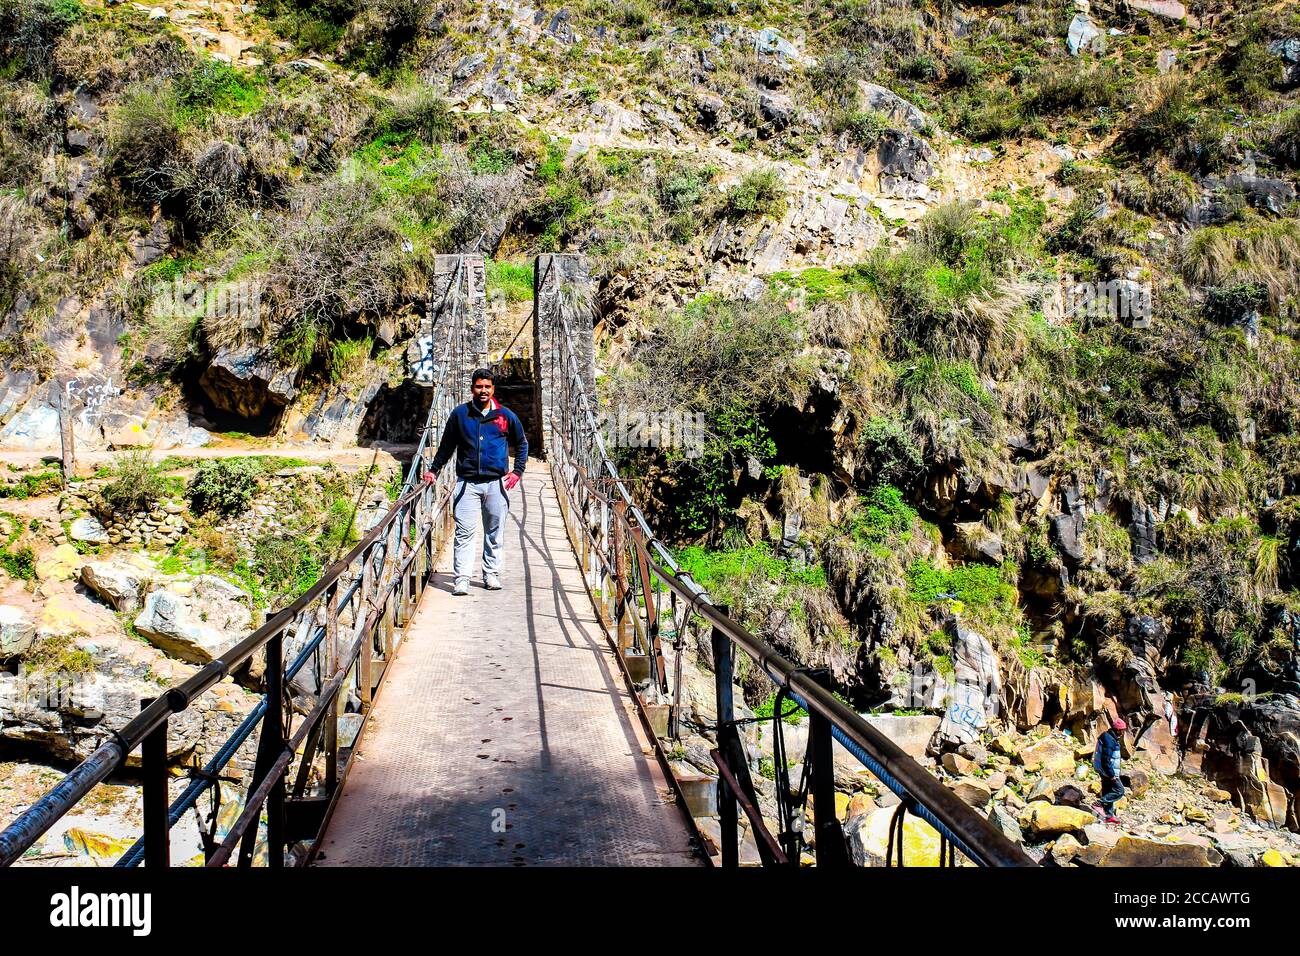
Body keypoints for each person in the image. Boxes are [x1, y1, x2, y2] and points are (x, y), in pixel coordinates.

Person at [426, 368, 528, 595]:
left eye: (487, 387)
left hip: (496, 483)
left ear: (493, 389)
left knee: (495, 531)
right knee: (464, 532)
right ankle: (462, 578)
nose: (483, 391)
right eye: (479, 386)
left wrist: (517, 471)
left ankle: (491, 573)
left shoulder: (505, 415)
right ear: (472, 388)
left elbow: (521, 444)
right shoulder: (460, 414)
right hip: (467, 483)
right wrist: (434, 470)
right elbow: (446, 446)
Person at [1093, 697, 1127, 824]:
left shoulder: (1109, 737)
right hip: (1108, 770)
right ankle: (1099, 804)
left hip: (1104, 770)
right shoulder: (1109, 740)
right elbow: (1106, 759)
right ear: (1118, 730)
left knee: (1108, 790)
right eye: (1123, 730)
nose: (1123, 733)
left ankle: (1108, 816)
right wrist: (1112, 775)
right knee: (1119, 791)